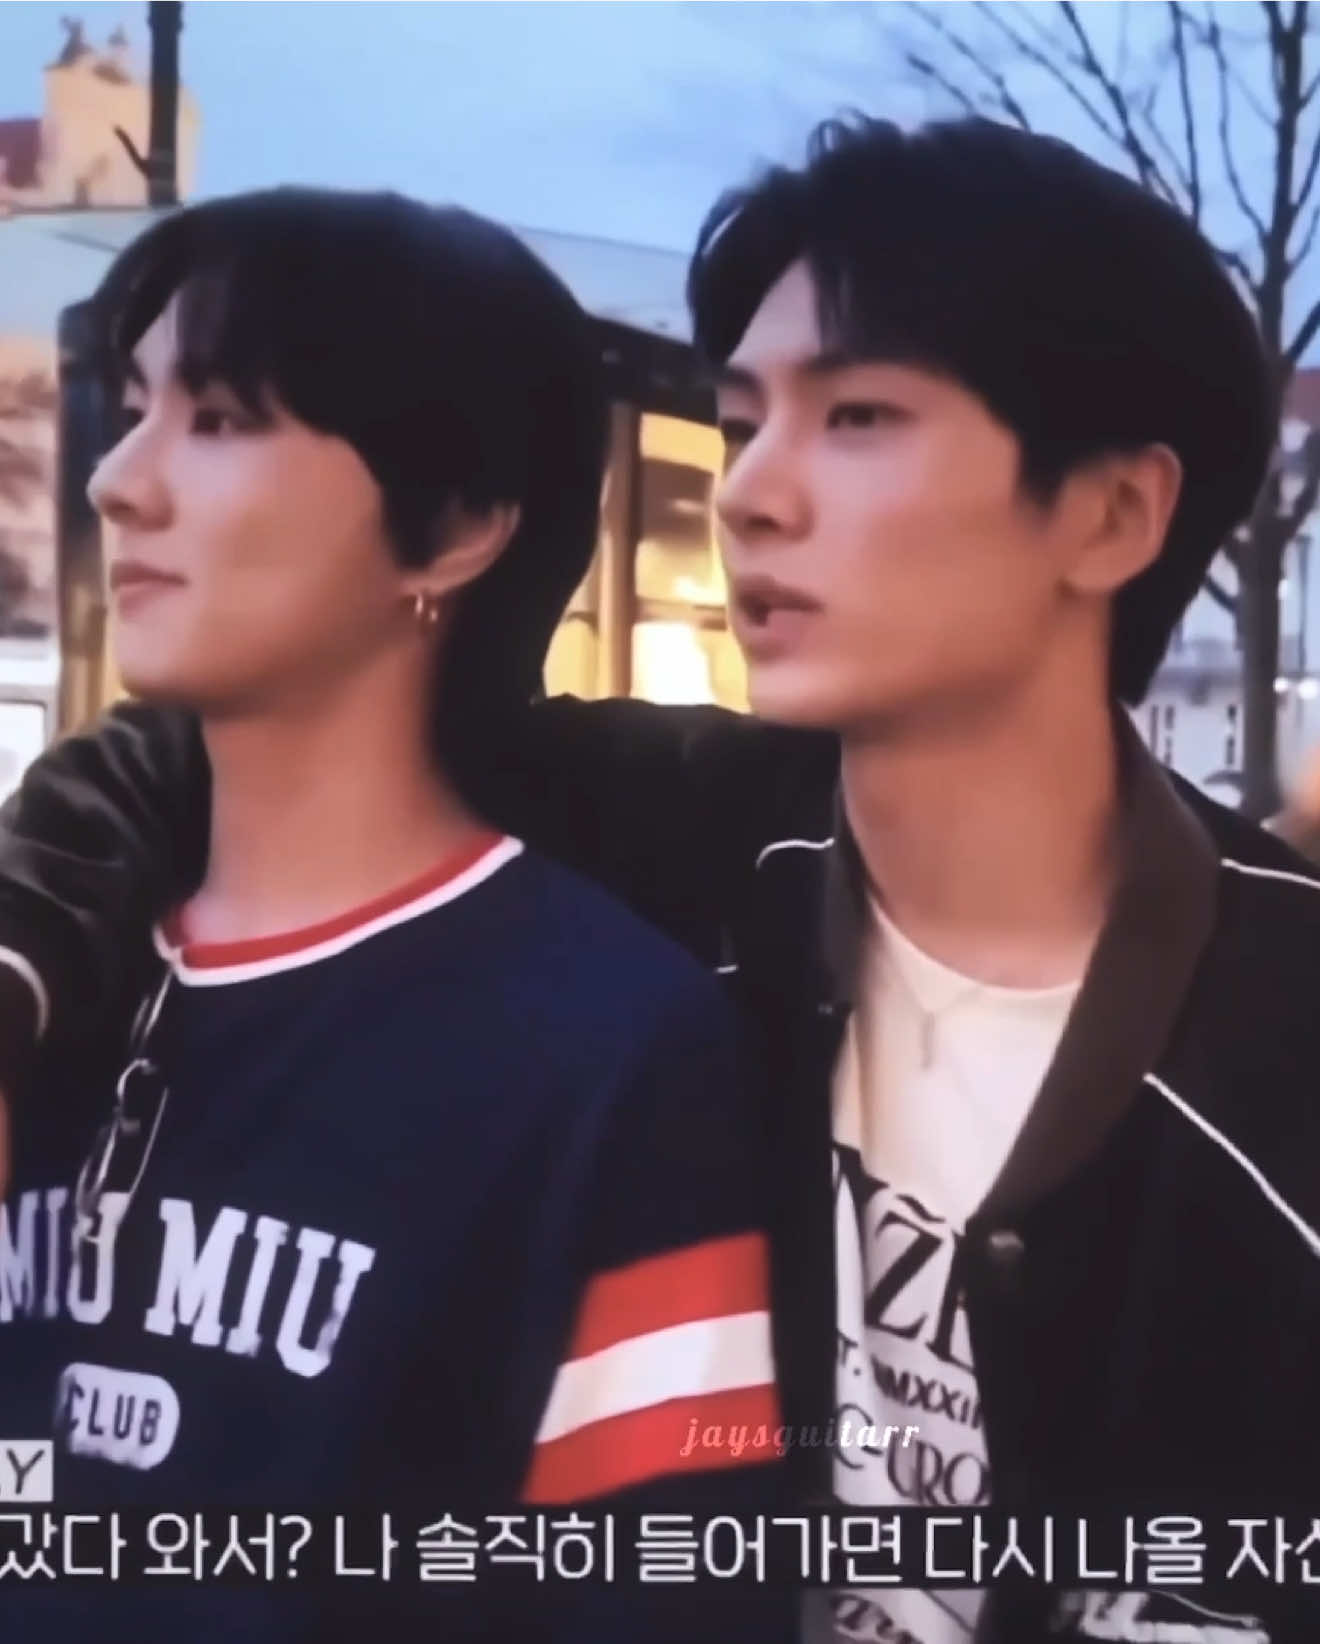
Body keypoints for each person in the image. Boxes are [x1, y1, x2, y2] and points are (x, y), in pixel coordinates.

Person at [0, 117, 1316, 1644]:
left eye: (860, 416)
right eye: (744, 420)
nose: (750, 492)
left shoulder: (1278, 1031)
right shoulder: (675, 842)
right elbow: (216, 747)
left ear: (1113, 513)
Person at [0, 189, 787, 1643]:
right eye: (135, 406)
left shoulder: (608, 1044)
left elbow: (661, 1585)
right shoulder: (58, 974)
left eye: (220, 419)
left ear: (460, 526)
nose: (119, 480)